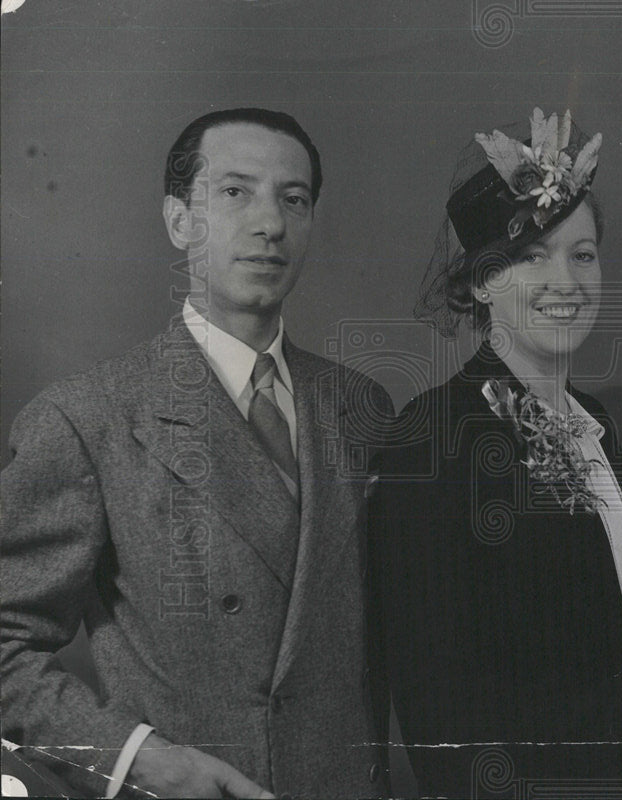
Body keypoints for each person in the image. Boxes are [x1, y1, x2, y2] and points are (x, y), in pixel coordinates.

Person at [0, 108, 393, 798]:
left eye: (293, 200)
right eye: (236, 192)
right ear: (180, 220)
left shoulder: (360, 406)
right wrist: (139, 761)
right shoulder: (88, 418)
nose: (270, 223)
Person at [368, 108, 622, 798]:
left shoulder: (592, 424)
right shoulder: (433, 435)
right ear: (479, 281)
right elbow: (436, 705)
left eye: (583, 254)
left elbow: (620, 663)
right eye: (532, 256)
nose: (564, 281)